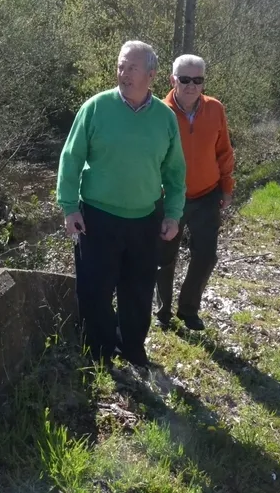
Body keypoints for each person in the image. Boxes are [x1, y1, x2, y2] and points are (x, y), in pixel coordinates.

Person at [56, 40, 187, 367]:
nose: (123, 74)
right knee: (94, 291)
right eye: (120, 66)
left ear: (151, 75)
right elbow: (71, 160)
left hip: (145, 218)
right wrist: (69, 206)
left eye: (132, 68)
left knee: (139, 291)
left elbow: (174, 172)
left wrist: (173, 214)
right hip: (97, 217)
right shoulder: (96, 108)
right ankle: (99, 352)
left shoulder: (165, 118)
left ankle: (133, 348)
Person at [154, 54, 235, 331]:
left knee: (206, 255)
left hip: (207, 194)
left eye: (197, 80)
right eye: (185, 79)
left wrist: (227, 186)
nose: (191, 85)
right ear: (172, 79)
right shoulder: (158, 112)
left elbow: (224, 151)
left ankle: (188, 309)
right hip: (168, 198)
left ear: (203, 82)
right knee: (164, 257)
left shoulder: (216, 109)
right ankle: (162, 310)